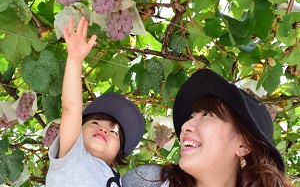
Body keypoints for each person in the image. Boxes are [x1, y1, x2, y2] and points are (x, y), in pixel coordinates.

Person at [122, 69, 294, 187]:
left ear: (244, 146)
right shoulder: (147, 180)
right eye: (191, 117)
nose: (186, 126)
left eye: (207, 115)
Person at [45, 17, 145, 186]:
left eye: (114, 133)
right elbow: (71, 107)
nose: (103, 129)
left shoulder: (114, 177)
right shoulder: (73, 155)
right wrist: (75, 60)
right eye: (96, 122)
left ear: (115, 159)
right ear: (77, 131)